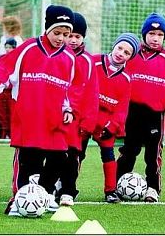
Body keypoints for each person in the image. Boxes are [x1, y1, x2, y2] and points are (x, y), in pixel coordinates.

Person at [0, 5, 76, 215]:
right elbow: (6, 69)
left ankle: (44, 194)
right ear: (47, 29)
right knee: (28, 161)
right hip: (28, 116)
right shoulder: (28, 48)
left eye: (66, 34)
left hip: (53, 119)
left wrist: (68, 108)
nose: (61, 38)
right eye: (57, 32)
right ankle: (18, 200)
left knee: (60, 156)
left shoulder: (69, 58)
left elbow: (70, 87)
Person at [116, 13, 165, 203]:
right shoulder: (131, 54)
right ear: (144, 34)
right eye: (152, 33)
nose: (155, 38)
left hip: (154, 115)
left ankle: (153, 188)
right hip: (131, 113)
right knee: (128, 152)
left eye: (160, 34)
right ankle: (115, 186)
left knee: (153, 156)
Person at [79, 33, 139, 204]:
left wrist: (112, 126)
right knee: (77, 154)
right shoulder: (94, 62)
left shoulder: (126, 78)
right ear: (114, 46)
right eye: (120, 48)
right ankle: (66, 187)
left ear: (130, 57)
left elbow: (122, 108)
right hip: (86, 117)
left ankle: (110, 191)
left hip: (105, 123)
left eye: (127, 53)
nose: (121, 53)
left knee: (108, 155)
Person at [56, 12, 99, 206]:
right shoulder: (56, 57)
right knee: (54, 155)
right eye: (70, 35)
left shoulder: (88, 61)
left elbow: (91, 94)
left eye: (78, 37)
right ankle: (50, 188)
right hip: (55, 118)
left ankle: (68, 190)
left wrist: (87, 122)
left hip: (77, 121)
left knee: (73, 156)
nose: (73, 40)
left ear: (83, 38)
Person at [0, 37, 17, 139]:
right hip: (2, 90)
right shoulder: (1, 58)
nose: (8, 49)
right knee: (2, 114)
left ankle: (13, 134)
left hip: (12, 91)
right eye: (6, 47)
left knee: (13, 113)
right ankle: (4, 134)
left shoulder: (18, 59)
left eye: (10, 47)